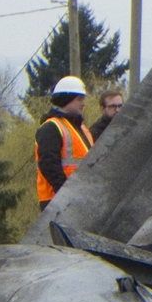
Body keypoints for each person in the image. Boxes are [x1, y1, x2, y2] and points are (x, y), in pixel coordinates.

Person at [35, 77, 93, 209]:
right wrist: (65, 192)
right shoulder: (51, 127)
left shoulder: (81, 129)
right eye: (79, 99)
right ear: (66, 100)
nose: (83, 103)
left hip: (78, 197)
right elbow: (48, 164)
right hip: (57, 200)